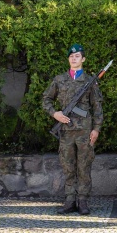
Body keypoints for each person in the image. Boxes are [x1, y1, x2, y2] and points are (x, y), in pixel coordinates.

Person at [42, 44, 103, 215]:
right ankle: (69, 200)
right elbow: (46, 100)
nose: (74, 58)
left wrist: (96, 129)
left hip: (85, 131)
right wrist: (55, 114)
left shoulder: (90, 81)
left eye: (77, 56)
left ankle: (82, 200)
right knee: (68, 166)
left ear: (83, 59)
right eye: (71, 56)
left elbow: (97, 107)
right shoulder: (59, 80)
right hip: (66, 131)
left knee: (84, 165)